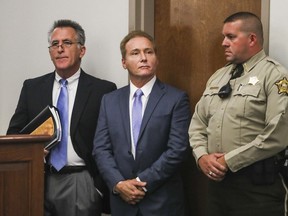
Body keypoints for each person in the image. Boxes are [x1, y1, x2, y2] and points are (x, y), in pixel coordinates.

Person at [7, 19, 117, 216]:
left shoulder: (103, 90)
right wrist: (31, 153)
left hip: (82, 181)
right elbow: (14, 134)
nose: (60, 49)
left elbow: (111, 143)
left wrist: (97, 188)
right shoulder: (32, 88)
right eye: (55, 44)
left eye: (67, 43)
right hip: (38, 179)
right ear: (50, 52)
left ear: (82, 50)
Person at [189, 11, 288, 216]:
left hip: (256, 190)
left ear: (252, 39)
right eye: (224, 37)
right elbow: (198, 123)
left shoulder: (275, 75)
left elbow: (277, 135)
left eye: (231, 37)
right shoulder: (218, 76)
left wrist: (228, 161)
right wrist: (201, 157)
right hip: (217, 188)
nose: (224, 43)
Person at [92, 30, 191, 216]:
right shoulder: (109, 100)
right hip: (122, 203)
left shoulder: (176, 99)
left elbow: (177, 150)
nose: (143, 58)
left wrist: (140, 183)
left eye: (149, 52)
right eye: (135, 53)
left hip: (162, 203)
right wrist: (119, 184)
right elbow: (101, 149)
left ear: (156, 59)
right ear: (124, 62)